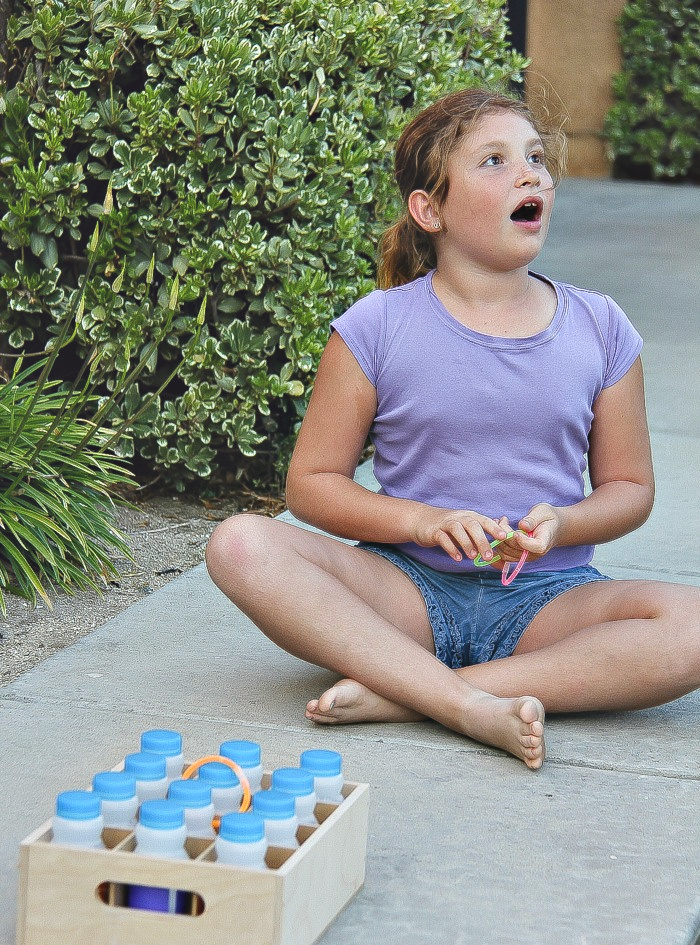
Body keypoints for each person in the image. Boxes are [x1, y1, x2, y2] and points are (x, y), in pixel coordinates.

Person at [206, 87, 700, 770]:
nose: (530, 174)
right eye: (495, 161)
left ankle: (421, 693)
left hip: (548, 599)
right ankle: (466, 705)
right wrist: (421, 521)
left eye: (534, 158)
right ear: (429, 208)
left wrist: (561, 520)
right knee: (238, 545)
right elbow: (311, 485)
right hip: (405, 588)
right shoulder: (375, 327)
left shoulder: (601, 326)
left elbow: (629, 487)